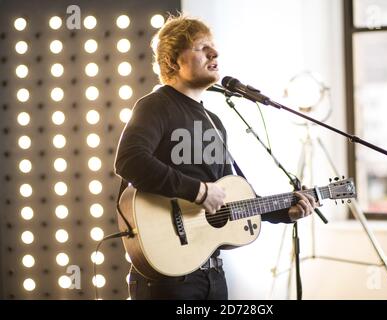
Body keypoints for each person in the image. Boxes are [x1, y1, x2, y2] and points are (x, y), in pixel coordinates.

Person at [114, 15, 317, 300]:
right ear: (172, 61)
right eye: (201, 47)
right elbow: (129, 160)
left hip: (212, 274)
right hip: (167, 279)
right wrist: (196, 191)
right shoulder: (154, 106)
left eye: (214, 47)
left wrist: (285, 212)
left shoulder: (215, 121)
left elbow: (231, 201)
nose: (215, 53)